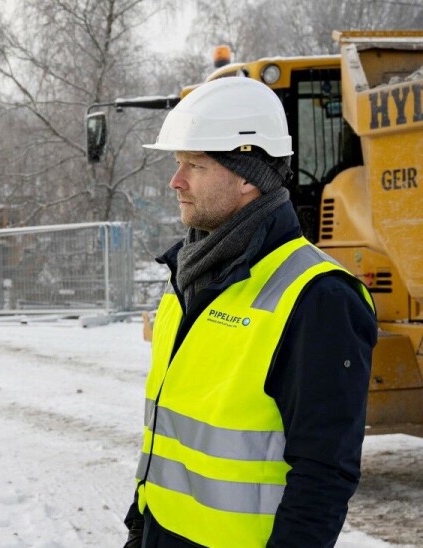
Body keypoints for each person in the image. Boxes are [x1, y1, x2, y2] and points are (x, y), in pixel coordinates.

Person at [123, 77, 377, 547]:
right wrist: (141, 528)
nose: (174, 181)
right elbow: (169, 434)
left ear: (246, 176)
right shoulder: (188, 278)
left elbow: (323, 474)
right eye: (178, 164)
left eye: (193, 165)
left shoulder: (319, 297)